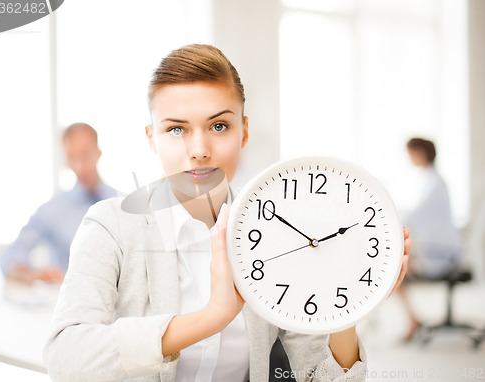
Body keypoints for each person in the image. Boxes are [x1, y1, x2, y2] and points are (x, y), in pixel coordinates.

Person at [43, 44, 410, 381]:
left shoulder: (283, 232)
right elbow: (65, 359)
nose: (199, 149)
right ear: (151, 137)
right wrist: (212, 317)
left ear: (243, 131)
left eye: (219, 126)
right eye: (176, 130)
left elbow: (320, 377)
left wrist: (348, 314)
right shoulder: (111, 226)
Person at [0, 123, 116, 284]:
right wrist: (29, 275)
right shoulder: (52, 210)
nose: (79, 165)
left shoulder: (122, 204)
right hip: (66, 302)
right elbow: (11, 254)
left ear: (98, 153)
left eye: (85, 155)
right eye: (72, 157)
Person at [397, 137, 461, 340]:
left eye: (411, 153)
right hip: (436, 249)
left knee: (396, 272)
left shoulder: (435, 184)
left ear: (421, 153)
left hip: (440, 254)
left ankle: (413, 320)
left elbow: (415, 215)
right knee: (399, 267)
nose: (409, 158)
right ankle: (413, 319)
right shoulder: (432, 181)